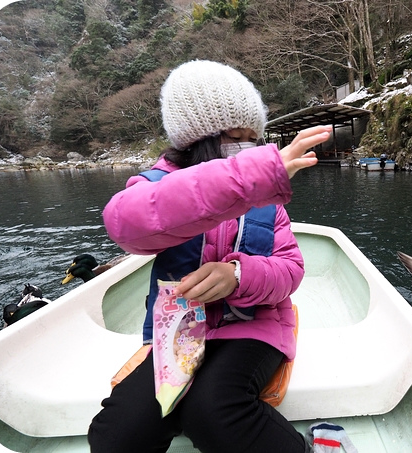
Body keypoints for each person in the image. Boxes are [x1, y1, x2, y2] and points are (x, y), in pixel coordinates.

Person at [88, 59, 331, 453]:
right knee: (117, 432)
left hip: (254, 327)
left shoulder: (268, 202)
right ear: (197, 138)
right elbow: (125, 224)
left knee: (213, 409)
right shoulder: (153, 189)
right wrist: (243, 178)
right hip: (176, 334)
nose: (247, 151)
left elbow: (290, 271)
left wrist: (238, 275)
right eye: (237, 139)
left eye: (253, 140)